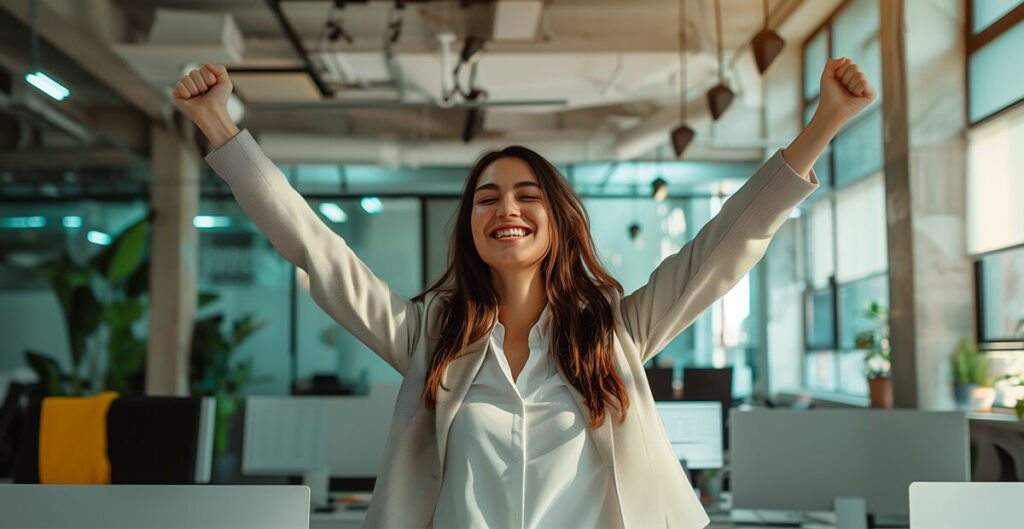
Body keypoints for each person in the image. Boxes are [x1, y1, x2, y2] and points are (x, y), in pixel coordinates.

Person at [173, 57, 875, 529]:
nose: (505, 207)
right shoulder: (431, 337)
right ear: (471, 223)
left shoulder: (612, 331)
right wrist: (220, 129)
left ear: (556, 219)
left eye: (525, 193)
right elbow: (314, 250)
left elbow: (722, 249)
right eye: (486, 197)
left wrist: (824, 125)